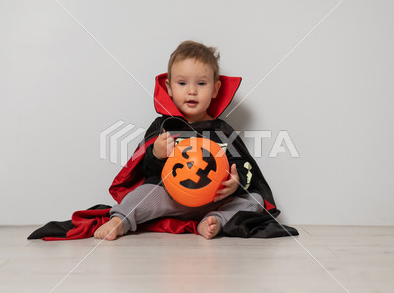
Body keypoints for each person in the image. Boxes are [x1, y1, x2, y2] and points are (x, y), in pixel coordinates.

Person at [94, 40, 269, 240]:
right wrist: (156, 155)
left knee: (255, 200)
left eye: (201, 83)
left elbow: (242, 165)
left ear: (215, 89)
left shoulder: (222, 131)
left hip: (214, 200)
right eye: (182, 83)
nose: (191, 91)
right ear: (169, 87)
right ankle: (120, 220)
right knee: (142, 194)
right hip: (170, 199)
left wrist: (236, 182)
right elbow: (145, 171)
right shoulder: (164, 127)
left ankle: (215, 220)